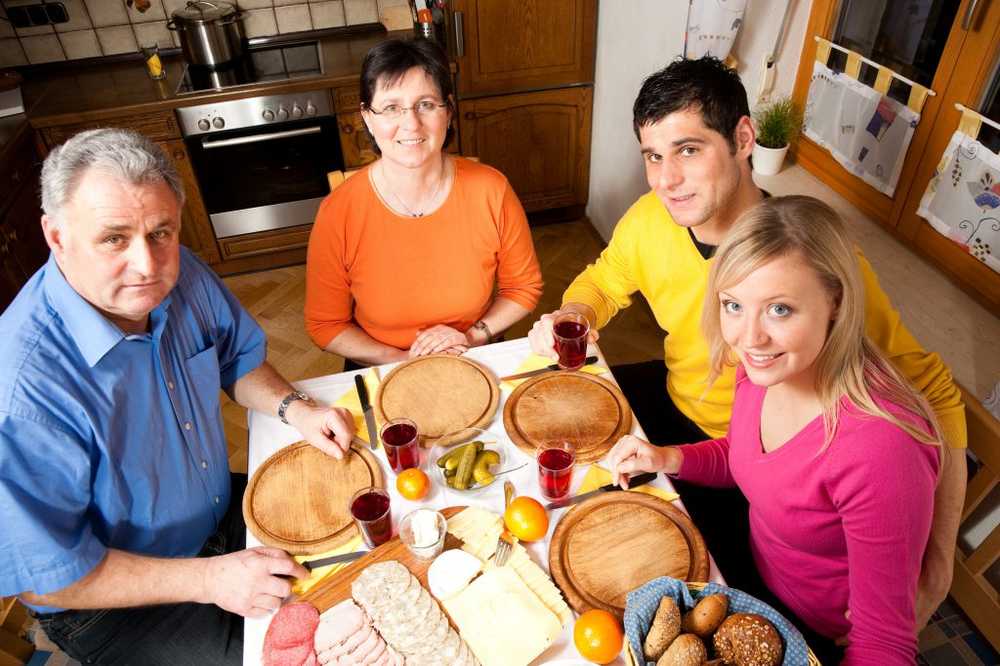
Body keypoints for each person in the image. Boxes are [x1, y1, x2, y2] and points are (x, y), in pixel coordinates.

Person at [527, 56, 966, 628]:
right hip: (682, 415)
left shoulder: (811, 263)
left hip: (761, 470)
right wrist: (577, 311)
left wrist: (937, 560)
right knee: (553, 458)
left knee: (656, 592)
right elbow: (606, 279)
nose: (666, 180)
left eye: (688, 150)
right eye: (654, 157)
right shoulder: (650, 220)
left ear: (742, 137)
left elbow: (932, 389)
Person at [0, 128, 357, 665]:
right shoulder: (21, 393)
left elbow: (234, 357)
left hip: (219, 516)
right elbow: (51, 578)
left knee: (357, 569)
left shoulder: (179, 272)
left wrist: (295, 408)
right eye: (114, 239)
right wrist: (210, 578)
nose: (147, 265)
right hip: (112, 597)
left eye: (161, 232)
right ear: (56, 236)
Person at [609, 196, 940, 664]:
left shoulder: (881, 449)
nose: (749, 336)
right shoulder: (764, 369)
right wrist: (669, 458)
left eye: (780, 309)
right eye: (733, 304)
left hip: (815, 632)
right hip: (752, 581)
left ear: (836, 302)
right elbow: (747, 457)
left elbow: (885, 642)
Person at [305, 39, 543, 368]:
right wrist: (402, 360)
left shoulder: (492, 189)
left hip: (473, 353)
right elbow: (325, 325)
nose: (411, 124)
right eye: (391, 108)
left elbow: (523, 287)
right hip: (382, 363)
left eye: (426, 104)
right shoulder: (338, 212)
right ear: (367, 118)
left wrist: (472, 336)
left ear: (448, 110)